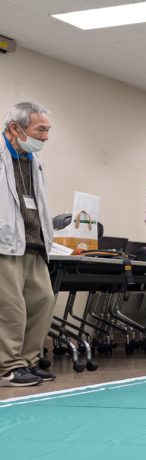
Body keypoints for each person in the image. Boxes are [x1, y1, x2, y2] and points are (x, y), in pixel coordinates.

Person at [0, 102, 56, 387]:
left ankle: (27, 361)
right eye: (40, 130)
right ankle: (7, 367)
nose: (46, 137)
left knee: (43, 302)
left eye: (48, 130)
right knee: (11, 309)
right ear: (15, 128)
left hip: (34, 244)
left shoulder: (33, 160)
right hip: (5, 244)